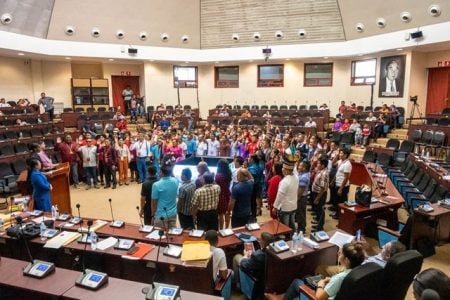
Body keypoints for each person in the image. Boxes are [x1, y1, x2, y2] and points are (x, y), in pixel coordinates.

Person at [282, 242, 365, 300]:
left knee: (296, 282)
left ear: (346, 260)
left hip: (321, 297)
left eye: (340, 253)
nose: (338, 255)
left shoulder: (339, 278)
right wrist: (331, 280)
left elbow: (319, 297)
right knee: (306, 278)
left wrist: (320, 284)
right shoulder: (362, 271)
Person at [316, 240, 407, 277]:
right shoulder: (388, 260)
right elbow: (374, 258)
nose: (382, 247)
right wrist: (369, 249)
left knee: (321, 268)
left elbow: (356, 267)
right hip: (358, 265)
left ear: (388, 256)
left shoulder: (378, 268)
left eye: (384, 247)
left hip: (352, 270)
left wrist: (348, 253)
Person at [233, 232, 275, 299]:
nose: (259, 240)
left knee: (236, 257)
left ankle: (238, 285)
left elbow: (244, 266)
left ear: (263, 242)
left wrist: (245, 256)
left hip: (256, 279)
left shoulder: (258, 256)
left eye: (260, 239)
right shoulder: (274, 253)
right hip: (268, 280)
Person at [272, 158, 298, 231]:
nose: (282, 170)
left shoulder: (285, 181)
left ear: (287, 170)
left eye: (283, 168)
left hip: (285, 207)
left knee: (284, 226)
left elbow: (279, 196)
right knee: (292, 223)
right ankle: (293, 235)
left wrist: (275, 207)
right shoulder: (296, 177)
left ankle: (287, 238)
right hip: (293, 205)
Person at [151, 165, 178, 229]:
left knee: (160, 236)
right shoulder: (176, 181)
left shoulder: (156, 185)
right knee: (172, 236)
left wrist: (153, 215)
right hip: (173, 213)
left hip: (161, 215)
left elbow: (154, 203)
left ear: (161, 172)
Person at [329, 148, 351, 219]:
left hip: (343, 186)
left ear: (346, 155)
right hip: (337, 183)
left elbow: (346, 177)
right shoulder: (340, 161)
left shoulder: (347, 164)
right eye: (340, 153)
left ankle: (341, 216)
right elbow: (333, 164)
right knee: (337, 200)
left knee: (341, 201)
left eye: (341, 153)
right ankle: (337, 213)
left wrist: (341, 189)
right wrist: (333, 181)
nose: (340, 155)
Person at [311, 158, 329, 232]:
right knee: (318, 210)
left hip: (320, 194)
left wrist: (317, 198)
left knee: (320, 211)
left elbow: (322, 188)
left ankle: (320, 227)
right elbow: (312, 168)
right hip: (316, 193)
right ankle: (318, 223)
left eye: (318, 163)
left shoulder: (324, 174)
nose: (317, 165)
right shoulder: (320, 170)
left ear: (323, 165)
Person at [216, 159, 232, 229]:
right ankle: (227, 228)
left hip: (220, 195)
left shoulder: (218, 175)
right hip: (228, 194)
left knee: (220, 214)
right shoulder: (229, 173)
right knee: (227, 212)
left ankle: (221, 230)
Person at [296, 161, 310, 233]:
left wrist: (297, 199)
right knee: (301, 213)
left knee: (301, 214)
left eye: (300, 166)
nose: (298, 167)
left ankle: (301, 229)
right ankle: (301, 227)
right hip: (302, 197)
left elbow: (301, 190)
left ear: (304, 168)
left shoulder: (304, 177)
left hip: (301, 198)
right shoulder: (303, 174)